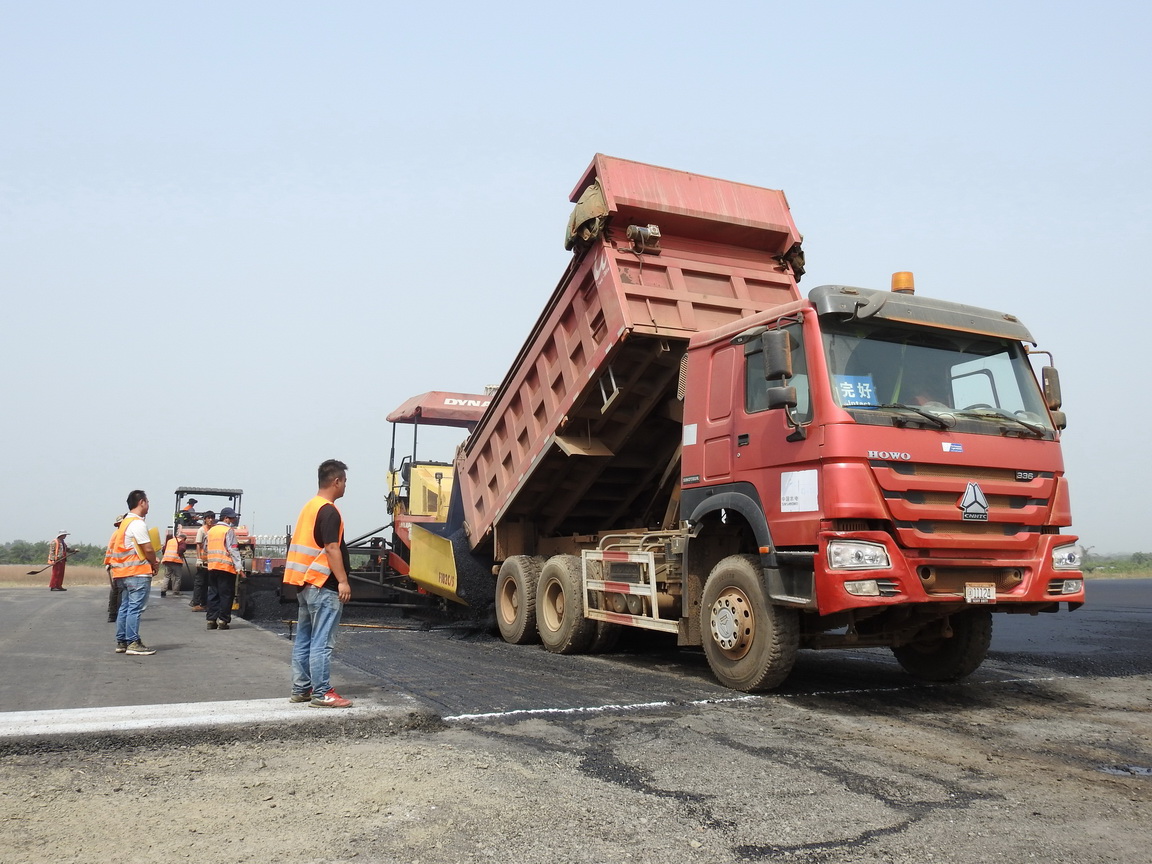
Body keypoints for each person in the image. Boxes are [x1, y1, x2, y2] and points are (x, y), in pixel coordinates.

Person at [284, 459, 353, 708]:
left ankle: (301, 688)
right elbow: (332, 547)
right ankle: (322, 692)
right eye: (344, 481)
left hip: (304, 584)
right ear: (336, 481)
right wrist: (343, 581)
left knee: (304, 639)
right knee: (322, 642)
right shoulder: (329, 510)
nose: (345, 486)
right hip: (323, 585)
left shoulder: (309, 507)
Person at [109, 490, 159, 655]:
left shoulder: (124, 523)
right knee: (135, 608)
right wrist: (154, 562)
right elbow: (148, 549)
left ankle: (122, 641)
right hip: (137, 572)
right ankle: (133, 642)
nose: (148, 505)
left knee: (125, 607)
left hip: (122, 573)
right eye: (148, 502)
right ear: (142, 502)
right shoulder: (137, 523)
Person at [205, 507, 244, 630]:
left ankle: (211, 620)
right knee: (226, 594)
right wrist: (239, 567)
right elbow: (233, 549)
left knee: (213, 593)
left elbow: (206, 547)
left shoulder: (211, 531)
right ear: (225, 518)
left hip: (212, 566)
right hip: (225, 567)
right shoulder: (228, 530)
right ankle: (223, 621)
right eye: (231, 518)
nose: (233, 520)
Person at [190, 510, 215, 611]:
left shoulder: (214, 530)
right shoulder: (202, 530)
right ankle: (196, 603)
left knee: (208, 584)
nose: (210, 520)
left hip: (212, 561)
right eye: (208, 518)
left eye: (212, 518)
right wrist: (199, 559)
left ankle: (204, 604)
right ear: (205, 519)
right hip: (203, 562)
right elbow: (198, 545)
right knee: (199, 583)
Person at [104, 514, 126, 622]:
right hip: (121, 565)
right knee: (119, 590)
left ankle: (113, 613)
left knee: (116, 590)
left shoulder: (116, 534)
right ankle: (115, 613)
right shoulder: (121, 534)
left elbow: (110, 550)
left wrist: (108, 562)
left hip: (118, 565)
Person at [159, 532, 186, 597]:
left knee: (167, 576)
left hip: (167, 560)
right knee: (177, 577)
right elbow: (182, 549)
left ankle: (163, 590)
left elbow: (163, 549)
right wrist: (180, 553)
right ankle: (176, 591)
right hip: (176, 561)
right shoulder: (181, 541)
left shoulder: (169, 541)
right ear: (184, 538)